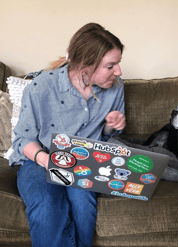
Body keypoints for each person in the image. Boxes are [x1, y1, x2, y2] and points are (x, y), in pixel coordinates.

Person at [9, 23, 125, 247]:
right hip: (39, 159)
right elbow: (23, 140)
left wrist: (112, 125)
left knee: (82, 203)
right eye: (111, 65)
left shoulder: (116, 87)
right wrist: (49, 162)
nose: (118, 71)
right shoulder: (42, 86)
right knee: (46, 203)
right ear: (85, 65)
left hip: (85, 160)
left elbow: (107, 139)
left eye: (119, 64)